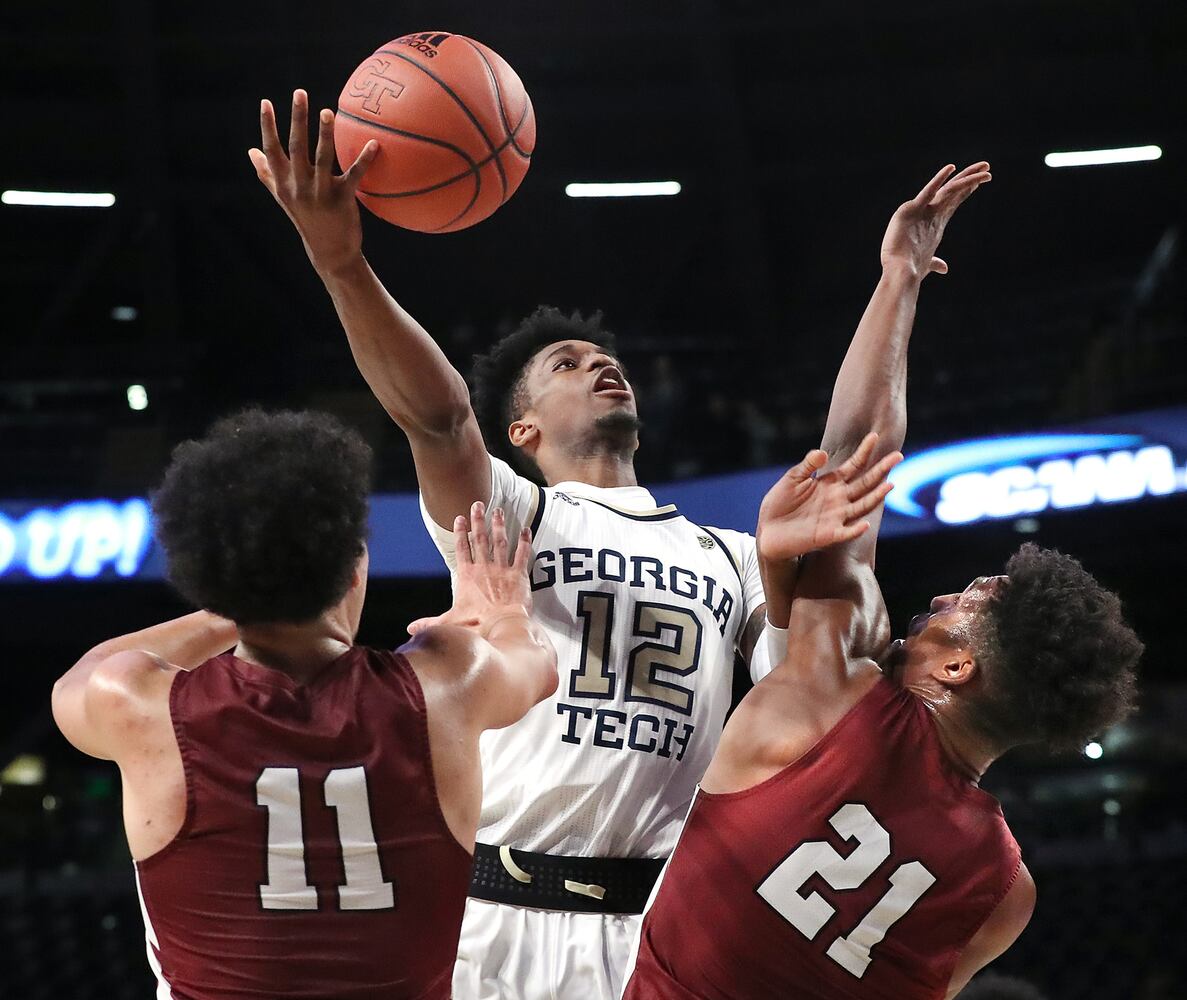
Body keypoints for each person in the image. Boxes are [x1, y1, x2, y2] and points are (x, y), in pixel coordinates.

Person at [247, 90, 992, 999]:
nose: (600, 364)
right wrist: (340, 261)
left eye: (605, 360)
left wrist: (896, 283)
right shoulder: (515, 516)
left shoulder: (729, 554)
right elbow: (438, 419)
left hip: (654, 924)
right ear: (519, 430)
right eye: (565, 365)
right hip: (487, 911)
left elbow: (852, 484)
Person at [621, 167, 1144, 1000]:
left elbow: (854, 463)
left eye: (961, 608)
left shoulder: (834, 694)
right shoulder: (1004, 895)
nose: (936, 601)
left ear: (955, 670)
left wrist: (897, 279)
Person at [50, 408, 557, 1000]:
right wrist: (502, 611)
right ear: (352, 569)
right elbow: (538, 665)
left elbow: (77, 679)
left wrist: (238, 597)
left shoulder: (138, 702)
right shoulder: (451, 679)